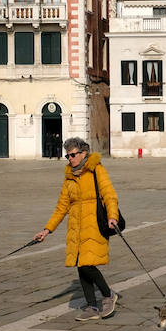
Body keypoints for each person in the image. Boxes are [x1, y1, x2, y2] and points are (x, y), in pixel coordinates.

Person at [34, 137, 120, 321]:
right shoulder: (69, 177)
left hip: (95, 224)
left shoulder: (97, 170)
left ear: (83, 153)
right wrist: (46, 230)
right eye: (67, 155)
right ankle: (91, 306)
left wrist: (113, 216)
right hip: (76, 227)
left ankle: (108, 295)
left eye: (73, 154)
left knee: (87, 264)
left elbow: (109, 195)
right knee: (81, 266)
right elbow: (61, 207)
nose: (70, 158)